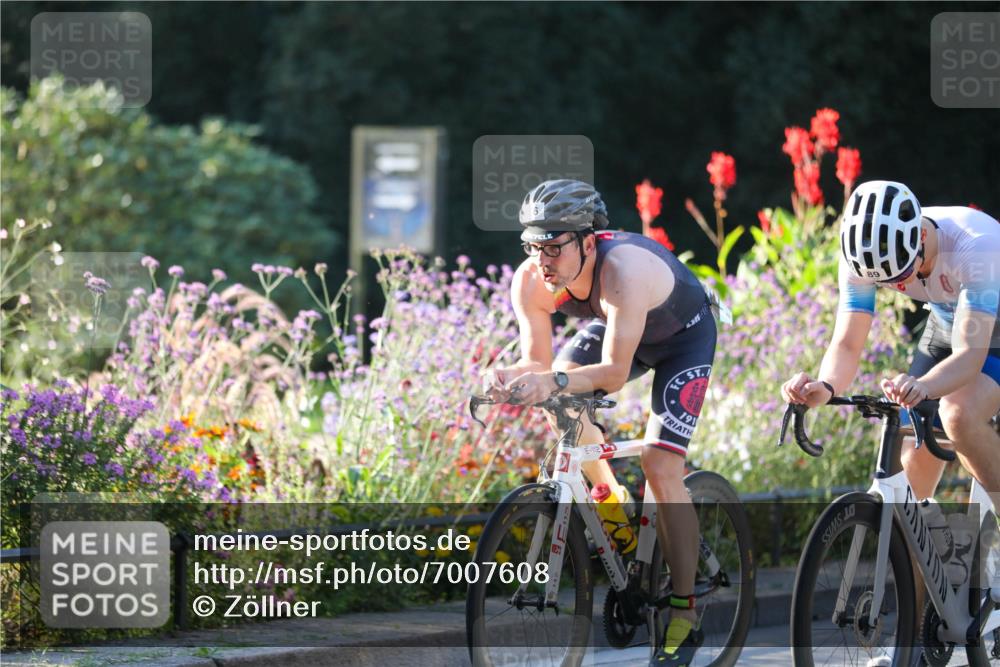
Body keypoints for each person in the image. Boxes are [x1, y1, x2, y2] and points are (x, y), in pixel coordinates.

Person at [482, 179, 717, 666]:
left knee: (660, 464)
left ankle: (685, 610)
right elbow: (536, 361)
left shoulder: (622, 271)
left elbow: (611, 373)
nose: (542, 261)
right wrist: (506, 375)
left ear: (588, 243)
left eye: (553, 247)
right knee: (560, 400)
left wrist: (552, 379)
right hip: (620, 328)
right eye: (533, 247)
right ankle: (612, 503)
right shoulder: (530, 279)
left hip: (683, 338)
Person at [781, 180, 1000, 500]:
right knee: (911, 458)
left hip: (989, 329)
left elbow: (969, 356)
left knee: (957, 415)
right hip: (949, 318)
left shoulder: (975, 247)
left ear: (921, 236)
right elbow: (847, 343)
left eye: (900, 275)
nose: (896, 284)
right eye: (884, 281)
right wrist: (826, 386)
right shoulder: (861, 256)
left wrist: (924, 386)